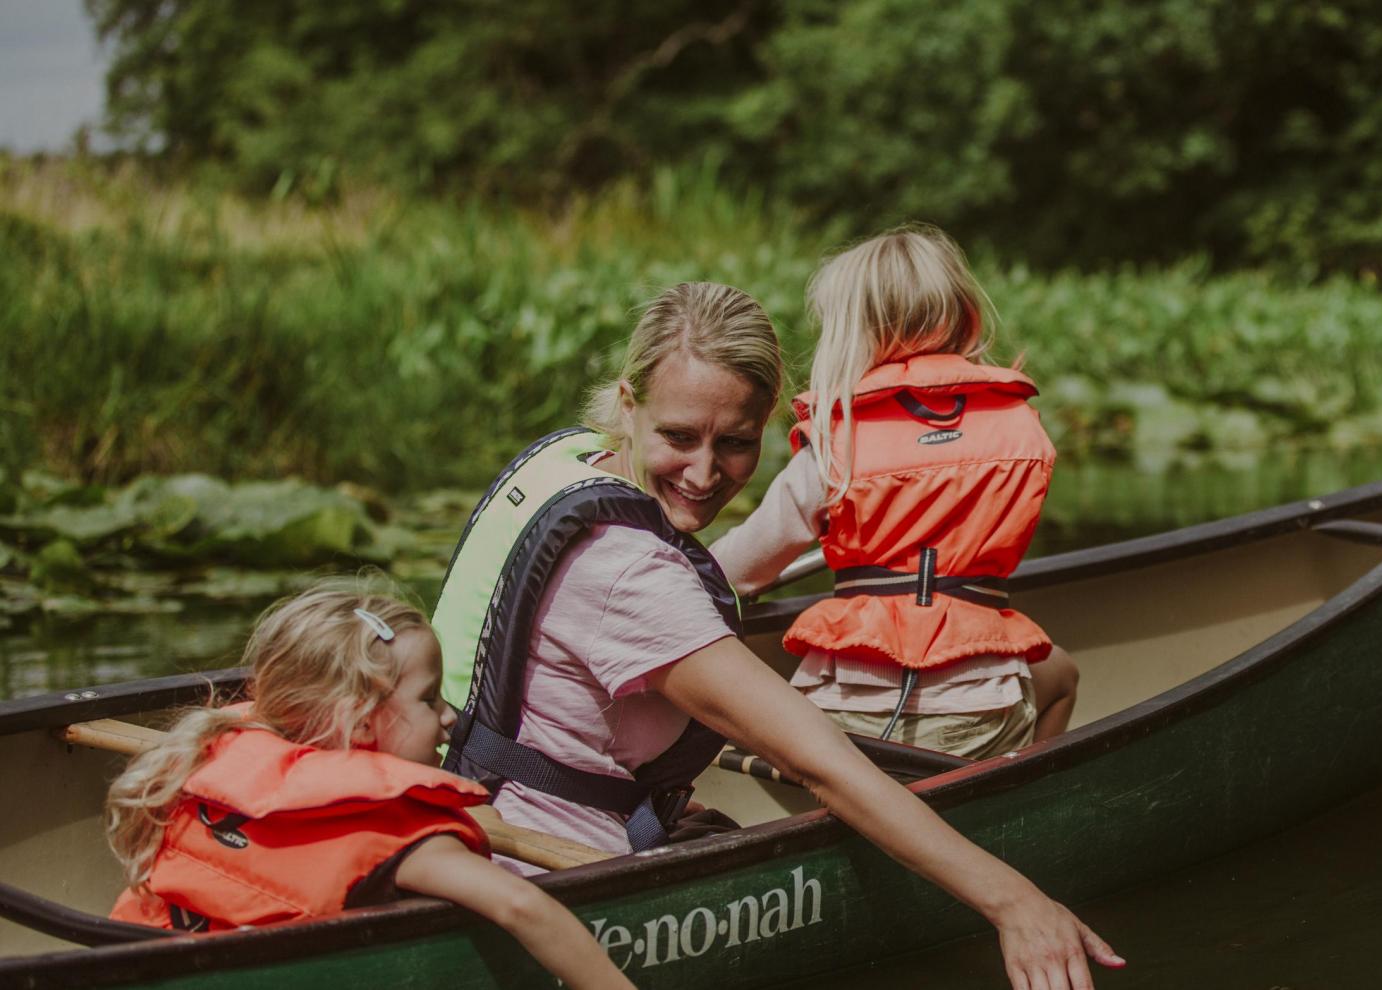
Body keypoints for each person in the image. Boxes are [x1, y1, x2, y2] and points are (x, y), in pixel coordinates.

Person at [432, 281, 1121, 989]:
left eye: (735, 443)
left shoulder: (564, 461)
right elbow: (821, 760)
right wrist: (1015, 901)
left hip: (471, 806)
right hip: (557, 875)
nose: (703, 473)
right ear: (629, 403)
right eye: (679, 437)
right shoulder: (629, 571)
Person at [104, 582, 632, 990]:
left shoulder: (220, 766)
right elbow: (523, 907)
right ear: (359, 724)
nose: (450, 717)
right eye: (428, 700)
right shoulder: (400, 835)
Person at [712, 225, 1080, 759]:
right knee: (1062, 674)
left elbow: (741, 568)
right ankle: (1015, 792)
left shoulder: (834, 447)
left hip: (845, 716)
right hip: (980, 711)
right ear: (964, 313)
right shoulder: (1019, 429)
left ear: (851, 332)